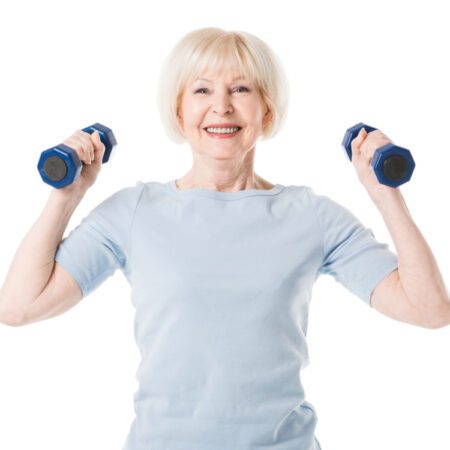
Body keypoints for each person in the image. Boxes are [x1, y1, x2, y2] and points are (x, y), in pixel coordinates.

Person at [0, 27, 449, 450]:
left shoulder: (311, 215)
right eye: (201, 90)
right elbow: (19, 307)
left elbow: (429, 310)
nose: (222, 106)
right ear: (179, 112)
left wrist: (386, 196)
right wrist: (66, 197)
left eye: (241, 89)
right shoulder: (134, 211)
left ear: (266, 110)